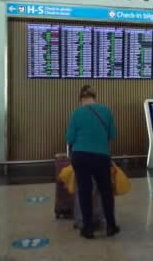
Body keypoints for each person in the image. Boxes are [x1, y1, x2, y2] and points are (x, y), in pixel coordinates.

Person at [66, 85, 119, 239]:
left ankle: (87, 228)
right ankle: (110, 226)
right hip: (101, 157)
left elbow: (69, 138)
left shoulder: (76, 113)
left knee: (84, 191)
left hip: (80, 156)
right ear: (94, 98)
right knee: (106, 192)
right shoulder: (106, 111)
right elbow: (112, 135)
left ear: (81, 99)